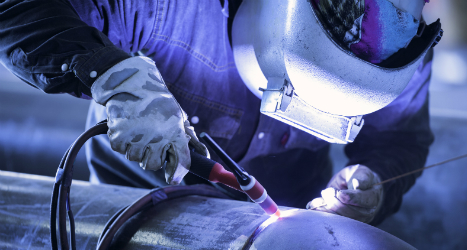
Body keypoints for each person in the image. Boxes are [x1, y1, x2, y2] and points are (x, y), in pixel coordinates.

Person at [0, 0, 440, 225]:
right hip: (133, 222)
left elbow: (399, 139)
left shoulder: (398, 50)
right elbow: (18, 10)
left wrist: (374, 185)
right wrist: (110, 75)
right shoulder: (169, 9)